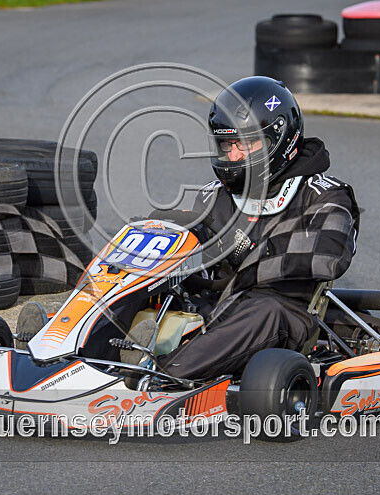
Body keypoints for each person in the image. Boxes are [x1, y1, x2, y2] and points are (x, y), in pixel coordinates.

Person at [147, 76, 361, 380]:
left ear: (280, 139)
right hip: (217, 305)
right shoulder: (213, 196)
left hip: (285, 312)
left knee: (264, 310)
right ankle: (86, 357)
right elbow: (194, 253)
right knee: (146, 285)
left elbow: (329, 255)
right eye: (227, 145)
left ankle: (160, 378)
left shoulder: (323, 193)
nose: (233, 156)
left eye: (245, 145)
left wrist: (248, 258)